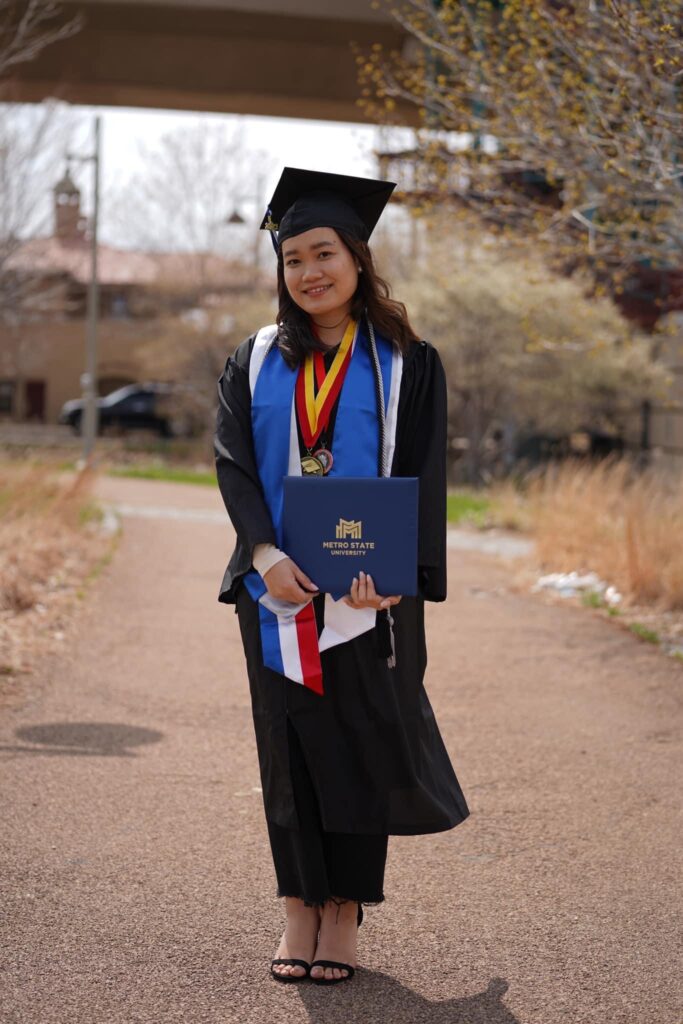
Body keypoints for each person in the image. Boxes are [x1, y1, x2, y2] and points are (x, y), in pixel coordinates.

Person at [214, 168, 470, 986]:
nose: (307, 271)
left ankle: (344, 911)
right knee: (286, 751)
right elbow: (233, 465)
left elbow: (425, 472)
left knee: (361, 745)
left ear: (356, 258)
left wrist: (397, 571)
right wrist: (261, 554)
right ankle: (298, 905)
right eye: (291, 259)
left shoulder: (407, 361)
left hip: (371, 596)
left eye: (321, 252)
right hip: (277, 589)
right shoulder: (253, 359)